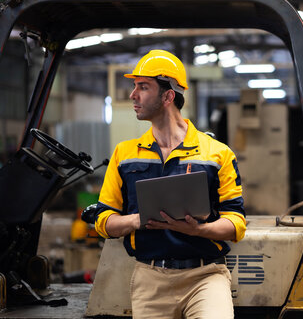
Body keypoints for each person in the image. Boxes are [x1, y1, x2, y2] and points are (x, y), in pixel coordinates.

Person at [94, 49, 246, 319]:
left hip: (205, 276)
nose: (133, 95)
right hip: (150, 280)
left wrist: (198, 230)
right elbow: (103, 220)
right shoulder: (125, 155)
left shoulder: (217, 154)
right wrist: (137, 221)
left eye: (143, 87)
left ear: (168, 96)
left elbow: (236, 223)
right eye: (134, 86)